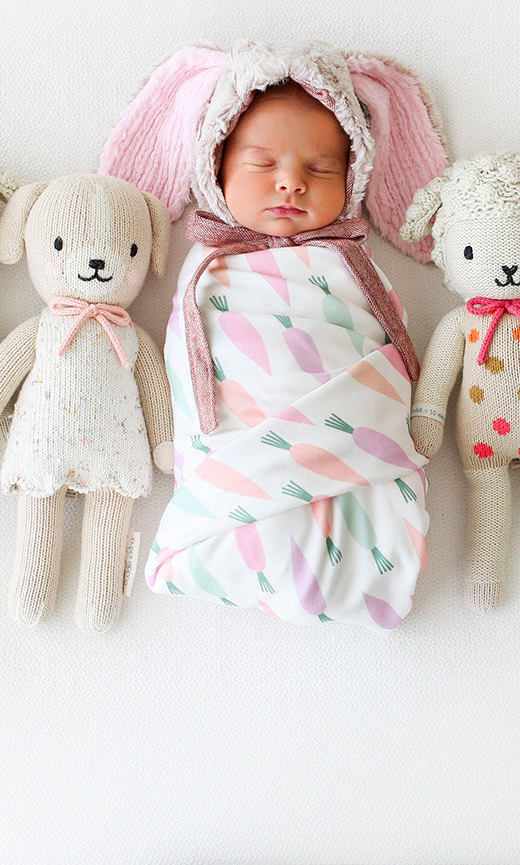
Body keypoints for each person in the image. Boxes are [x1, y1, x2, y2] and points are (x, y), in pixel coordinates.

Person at [99, 40, 449, 630]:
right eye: (263, 165)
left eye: (320, 169)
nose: (290, 183)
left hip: (348, 441)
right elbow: (192, 368)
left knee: (355, 511)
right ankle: (239, 545)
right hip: (242, 436)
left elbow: (378, 341)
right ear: (217, 165)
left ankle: (356, 566)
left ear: (355, 174)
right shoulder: (210, 270)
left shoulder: (350, 263)